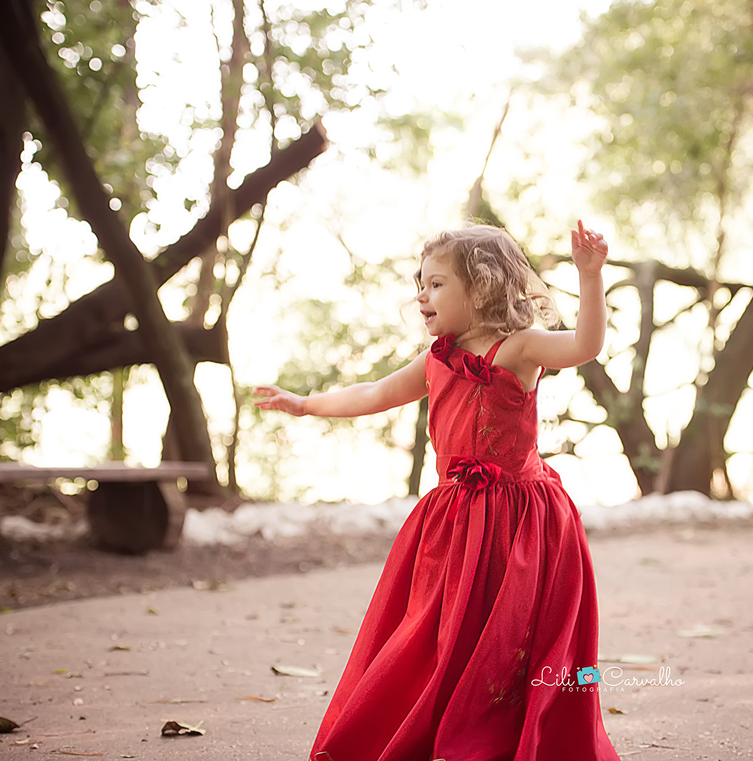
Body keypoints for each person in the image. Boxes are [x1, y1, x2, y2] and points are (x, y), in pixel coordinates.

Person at [254, 222, 621, 761]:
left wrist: (590, 278)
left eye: (437, 284)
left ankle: (502, 736)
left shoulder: (520, 348)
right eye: (419, 284)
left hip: (520, 523)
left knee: (511, 635)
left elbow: (585, 346)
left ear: (483, 284)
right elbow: (376, 392)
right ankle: (438, 724)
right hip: (454, 522)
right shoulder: (436, 360)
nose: (421, 296)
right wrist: (307, 403)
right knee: (441, 632)